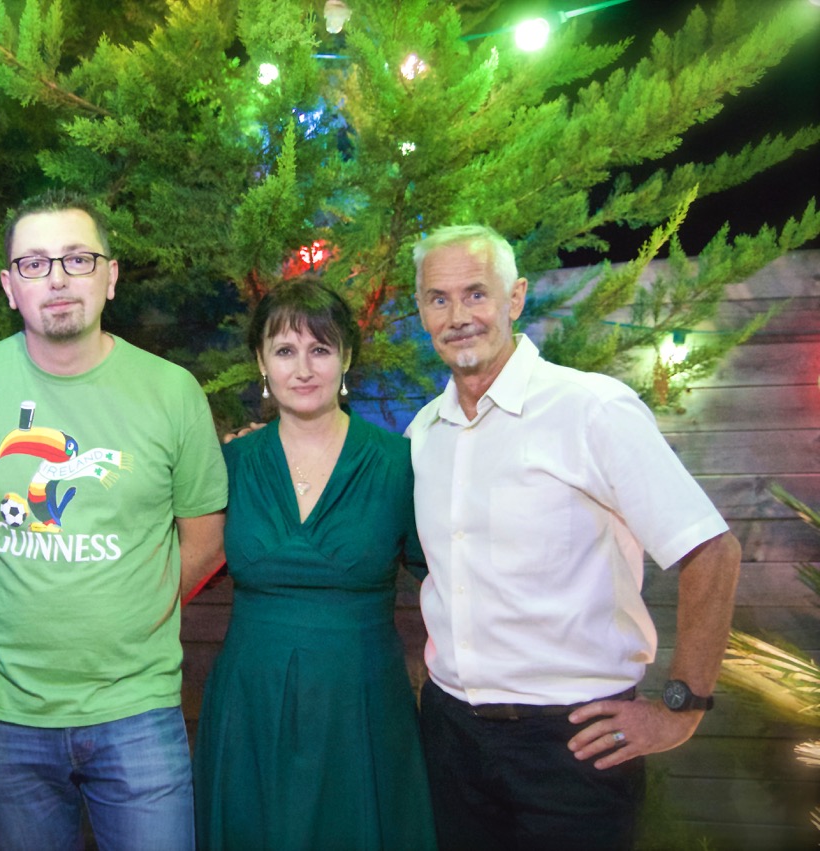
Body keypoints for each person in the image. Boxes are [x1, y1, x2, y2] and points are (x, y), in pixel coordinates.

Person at [405, 225, 742, 851]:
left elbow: (712, 552)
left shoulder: (591, 409)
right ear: (422, 310)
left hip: (572, 747)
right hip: (451, 740)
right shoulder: (425, 432)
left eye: (476, 294)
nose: (458, 316)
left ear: (515, 299)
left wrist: (681, 707)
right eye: (439, 298)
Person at [0, 189, 227, 851]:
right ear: (8, 287)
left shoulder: (172, 391)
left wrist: (130, 609)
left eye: (78, 259)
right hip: (6, 711)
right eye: (34, 263)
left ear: (111, 276)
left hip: (136, 706)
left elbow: (202, 538)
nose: (57, 278)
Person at [193, 281, 437, 851]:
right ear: (261, 362)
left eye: (320, 350)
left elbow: (450, 582)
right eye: (284, 351)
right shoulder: (229, 463)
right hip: (249, 708)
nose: (303, 369)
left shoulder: (398, 465)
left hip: (362, 712)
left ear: (345, 358)